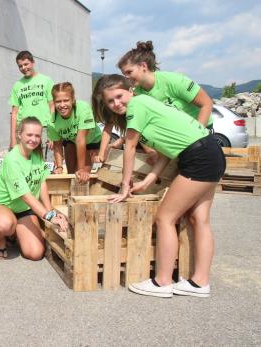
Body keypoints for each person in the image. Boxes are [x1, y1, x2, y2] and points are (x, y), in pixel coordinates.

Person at [92, 74, 225, 298]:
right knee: (198, 219)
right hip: (210, 152)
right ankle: (200, 282)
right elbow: (166, 151)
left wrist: (125, 186)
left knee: (165, 218)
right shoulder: (145, 104)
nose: (117, 104)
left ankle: (162, 281)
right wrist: (149, 179)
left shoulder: (137, 105)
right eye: (110, 101)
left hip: (199, 157)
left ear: (130, 91)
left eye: (119, 96)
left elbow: (131, 147)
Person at [97, 40, 215, 163]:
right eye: (123, 74)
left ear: (143, 66)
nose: (126, 77)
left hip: (200, 131)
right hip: (176, 134)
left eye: (129, 72)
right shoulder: (136, 93)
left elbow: (207, 104)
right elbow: (139, 125)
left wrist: (195, 136)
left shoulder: (174, 80)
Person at [0, 117, 68, 260]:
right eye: (29, 135)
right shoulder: (12, 160)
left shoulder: (37, 155)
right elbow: (26, 196)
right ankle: (2, 239)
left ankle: (15, 233)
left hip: (24, 210)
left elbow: (42, 184)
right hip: (0, 206)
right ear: (19, 134)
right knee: (4, 224)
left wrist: (50, 211)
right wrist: (49, 217)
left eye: (37, 136)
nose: (33, 139)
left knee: (35, 254)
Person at [48, 82, 101, 183]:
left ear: (73, 100)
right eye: (58, 101)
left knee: (84, 175)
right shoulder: (52, 121)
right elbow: (57, 145)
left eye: (66, 100)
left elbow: (81, 140)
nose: (62, 105)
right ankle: (71, 186)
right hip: (72, 142)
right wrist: (59, 167)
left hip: (92, 142)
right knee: (72, 176)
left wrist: (81, 169)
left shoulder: (83, 108)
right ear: (53, 102)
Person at [8, 51, 54, 150]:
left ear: (33, 62)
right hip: (23, 129)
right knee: (23, 162)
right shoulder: (17, 85)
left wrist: (52, 133)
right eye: (20, 66)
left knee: (45, 163)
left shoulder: (47, 81)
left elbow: (52, 107)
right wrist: (13, 139)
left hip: (44, 128)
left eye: (26, 64)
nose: (23, 68)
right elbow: (14, 113)